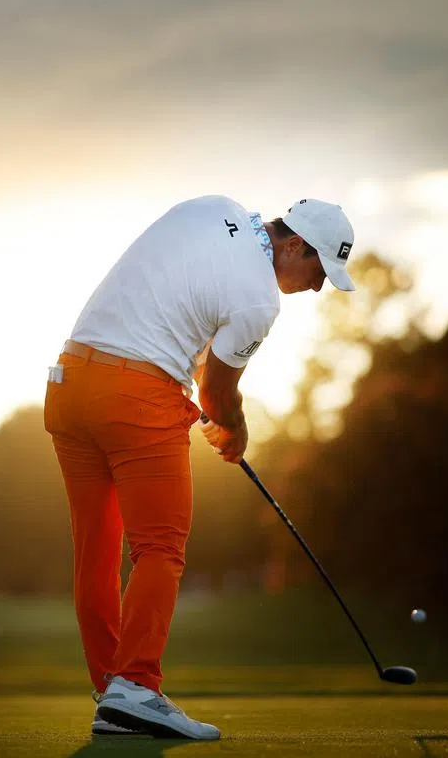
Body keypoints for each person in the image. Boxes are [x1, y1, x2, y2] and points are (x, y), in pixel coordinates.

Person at [43, 195, 357, 740]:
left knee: (97, 548)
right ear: (294, 244)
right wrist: (234, 430)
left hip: (69, 382)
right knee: (159, 547)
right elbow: (216, 390)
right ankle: (135, 687)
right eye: (319, 271)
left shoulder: (213, 207)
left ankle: (112, 691)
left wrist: (206, 406)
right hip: (137, 397)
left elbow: (182, 309)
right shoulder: (260, 301)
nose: (316, 287)